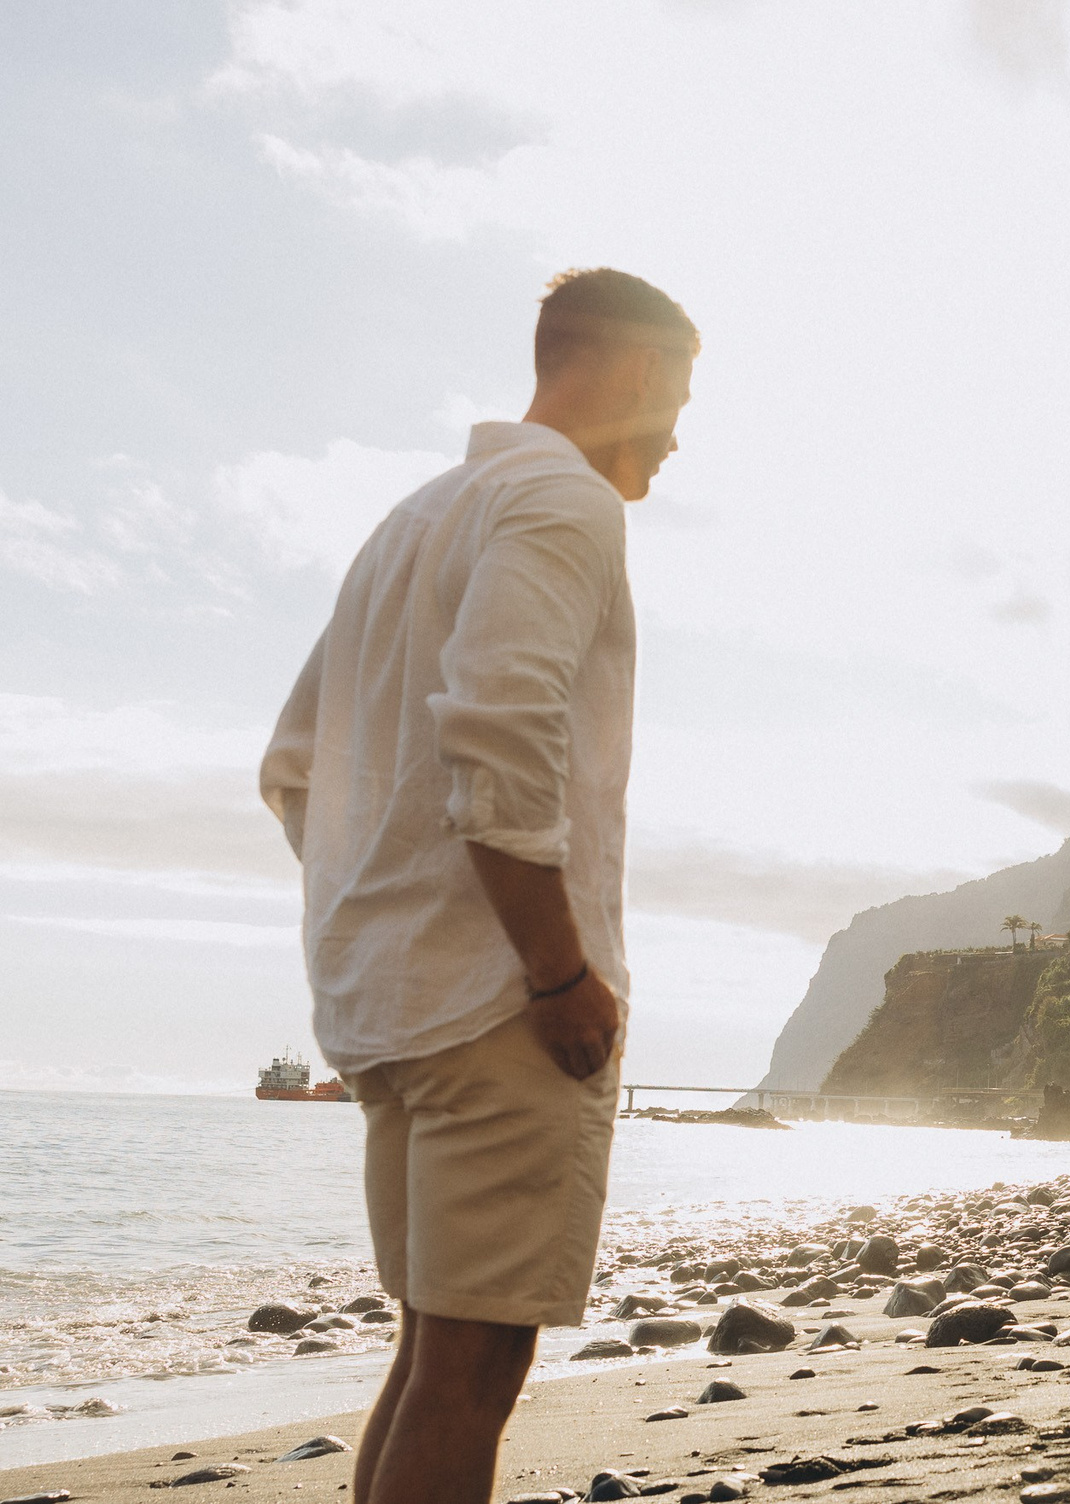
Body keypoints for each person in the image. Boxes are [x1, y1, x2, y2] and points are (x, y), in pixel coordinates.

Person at [259, 268, 696, 1504]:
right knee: (474, 1360)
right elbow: (504, 732)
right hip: (504, 1004)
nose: (677, 432)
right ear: (630, 370)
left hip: (391, 1006)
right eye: (678, 392)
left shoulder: (415, 518)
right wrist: (554, 966)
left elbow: (297, 771)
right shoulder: (562, 500)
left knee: (430, 1347)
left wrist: (383, 920)